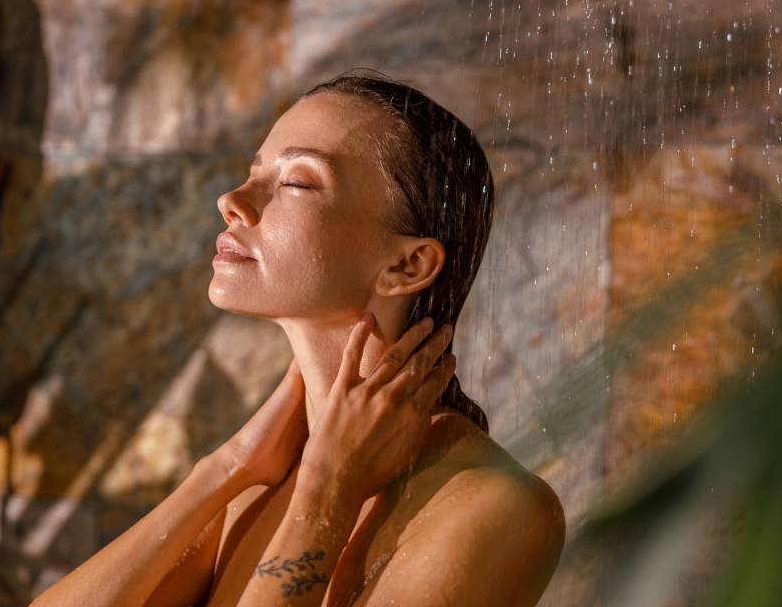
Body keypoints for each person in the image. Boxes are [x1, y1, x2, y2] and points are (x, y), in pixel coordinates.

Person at [32, 70, 566, 607]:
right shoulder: (257, 484)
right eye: (255, 171)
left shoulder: (494, 506)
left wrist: (328, 496)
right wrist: (223, 470)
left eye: (297, 182)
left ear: (407, 264)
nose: (233, 199)